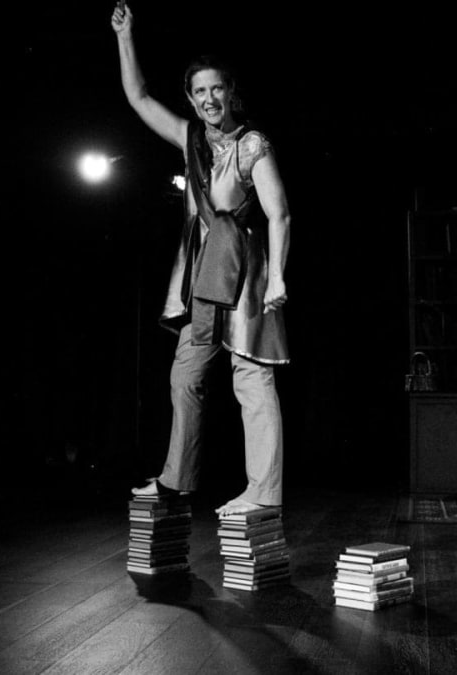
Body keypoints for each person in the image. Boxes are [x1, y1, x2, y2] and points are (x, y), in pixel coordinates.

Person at [110, 3, 292, 517]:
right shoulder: (190, 137)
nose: (209, 99)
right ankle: (176, 480)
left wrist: (278, 277)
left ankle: (263, 491)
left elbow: (279, 214)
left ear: (230, 92)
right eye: (199, 92)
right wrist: (125, 36)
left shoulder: (253, 145)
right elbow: (138, 97)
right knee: (185, 374)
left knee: (251, 378)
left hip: (247, 274)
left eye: (216, 89)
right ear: (191, 99)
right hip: (207, 275)